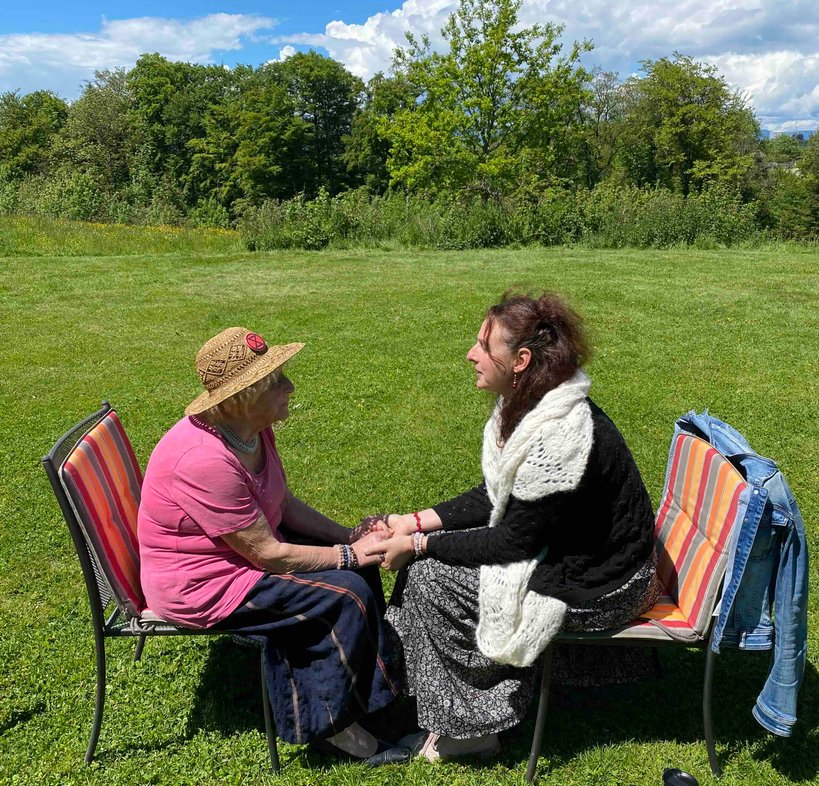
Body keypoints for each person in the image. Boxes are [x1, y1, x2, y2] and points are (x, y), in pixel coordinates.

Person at [365, 291, 661, 761]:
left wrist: (420, 545)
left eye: (484, 346)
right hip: (581, 557)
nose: (471, 354)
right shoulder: (530, 405)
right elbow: (498, 494)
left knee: (430, 579)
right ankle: (419, 698)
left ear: (521, 360)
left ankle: (477, 724)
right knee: (428, 567)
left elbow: (512, 540)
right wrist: (416, 521)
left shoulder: (559, 434)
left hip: (607, 585)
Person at [137, 326, 409, 766]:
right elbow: (267, 554)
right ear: (244, 395)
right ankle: (334, 730)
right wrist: (349, 555)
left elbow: (281, 502)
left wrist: (346, 538)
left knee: (357, 570)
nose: (290, 387)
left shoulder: (250, 429)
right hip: (204, 586)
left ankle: (374, 701)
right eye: (277, 380)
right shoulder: (204, 460)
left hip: (237, 559)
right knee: (346, 594)